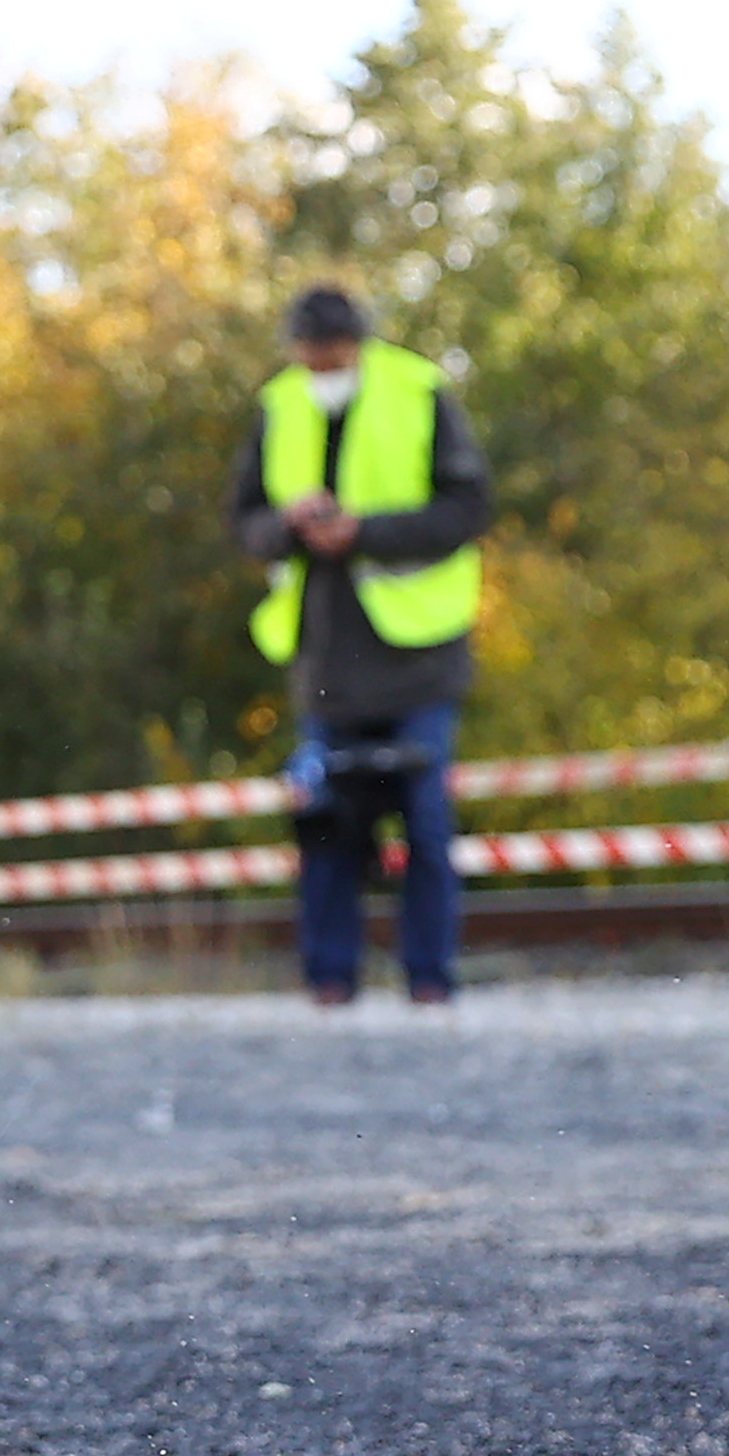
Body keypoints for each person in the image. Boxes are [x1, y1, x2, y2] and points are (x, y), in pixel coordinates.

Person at [232, 285, 492, 1007]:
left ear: (359, 343)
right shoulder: (279, 405)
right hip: (324, 659)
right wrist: (287, 527)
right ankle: (330, 977)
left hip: (419, 656)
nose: (321, 367)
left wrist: (366, 532)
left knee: (426, 823)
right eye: (310, 356)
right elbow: (243, 518)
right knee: (323, 824)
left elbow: (469, 506)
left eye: (332, 355)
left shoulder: (419, 389)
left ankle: (431, 979)